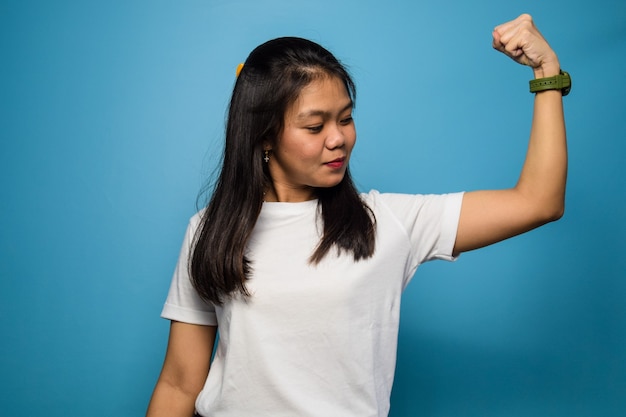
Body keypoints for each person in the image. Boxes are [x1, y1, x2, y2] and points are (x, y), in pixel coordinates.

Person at [146, 14, 568, 417]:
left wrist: (546, 73)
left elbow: (538, 201)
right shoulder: (209, 230)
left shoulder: (387, 222)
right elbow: (180, 383)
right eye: (315, 127)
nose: (339, 139)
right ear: (264, 137)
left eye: (346, 119)